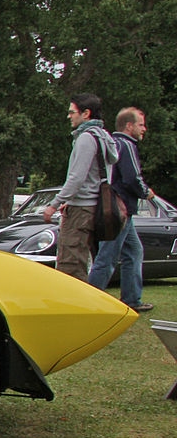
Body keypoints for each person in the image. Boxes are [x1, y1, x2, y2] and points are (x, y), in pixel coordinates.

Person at [43, 93, 117, 282]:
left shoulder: (86, 138)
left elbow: (76, 178)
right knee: (80, 259)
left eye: (72, 112)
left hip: (81, 208)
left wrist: (55, 203)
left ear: (86, 114)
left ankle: (71, 307)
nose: (69, 116)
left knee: (70, 263)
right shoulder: (104, 136)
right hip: (93, 206)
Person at [87, 107, 153, 311]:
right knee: (107, 257)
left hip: (118, 209)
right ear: (129, 125)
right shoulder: (126, 144)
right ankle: (89, 299)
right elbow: (132, 177)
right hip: (120, 210)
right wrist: (145, 192)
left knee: (133, 251)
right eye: (141, 125)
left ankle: (132, 299)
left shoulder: (113, 144)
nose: (144, 129)